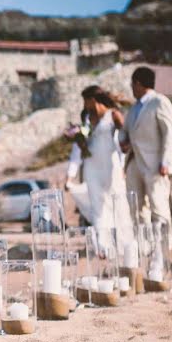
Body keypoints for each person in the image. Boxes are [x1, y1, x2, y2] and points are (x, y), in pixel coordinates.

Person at [66, 85, 134, 240]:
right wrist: (80, 140)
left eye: (85, 101)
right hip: (91, 167)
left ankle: (125, 242)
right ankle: (103, 244)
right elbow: (80, 148)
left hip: (110, 165)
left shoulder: (113, 115)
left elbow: (125, 138)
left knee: (118, 200)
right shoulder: (87, 119)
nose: (84, 105)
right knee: (98, 205)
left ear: (92, 100)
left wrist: (125, 161)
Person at [120, 67, 172, 227]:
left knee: (159, 207)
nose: (131, 88)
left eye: (132, 84)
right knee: (136, 209)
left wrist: (166, 161)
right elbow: (125, 130)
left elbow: (169, 133)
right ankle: (144, 247)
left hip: (155, 164)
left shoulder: (159, 102)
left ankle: (166, 247)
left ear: (138, 83)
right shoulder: (133, 109)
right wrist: (123, 140)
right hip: (134, 163)